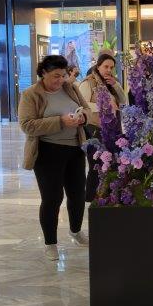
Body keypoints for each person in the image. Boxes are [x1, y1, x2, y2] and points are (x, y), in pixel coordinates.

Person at [18, 55, 92, 261]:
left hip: (75, 149)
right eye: (55, 76)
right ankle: (50, 242)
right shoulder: (30, 94)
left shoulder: (71, 88)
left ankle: (76, 231)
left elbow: (87, 110)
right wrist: (60, 121)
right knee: (52, 198)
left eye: (63, 75)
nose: (60, 80)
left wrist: (82, 117)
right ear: (43, 73)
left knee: (78, 195)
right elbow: (27, 125)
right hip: (47, 152)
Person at [79, 54, 126, 201]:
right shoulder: (88, 83)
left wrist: (115, 85)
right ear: (98, 66)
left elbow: (123, 101)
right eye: (105, 66)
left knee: (110, 162)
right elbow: (81, 105)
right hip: (93, 128)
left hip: (111, 128)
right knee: (96, 164)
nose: (108, 70)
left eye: (111, 67)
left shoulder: (111, 82)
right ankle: (90, 197)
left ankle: (105, 195)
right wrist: (103, 105)